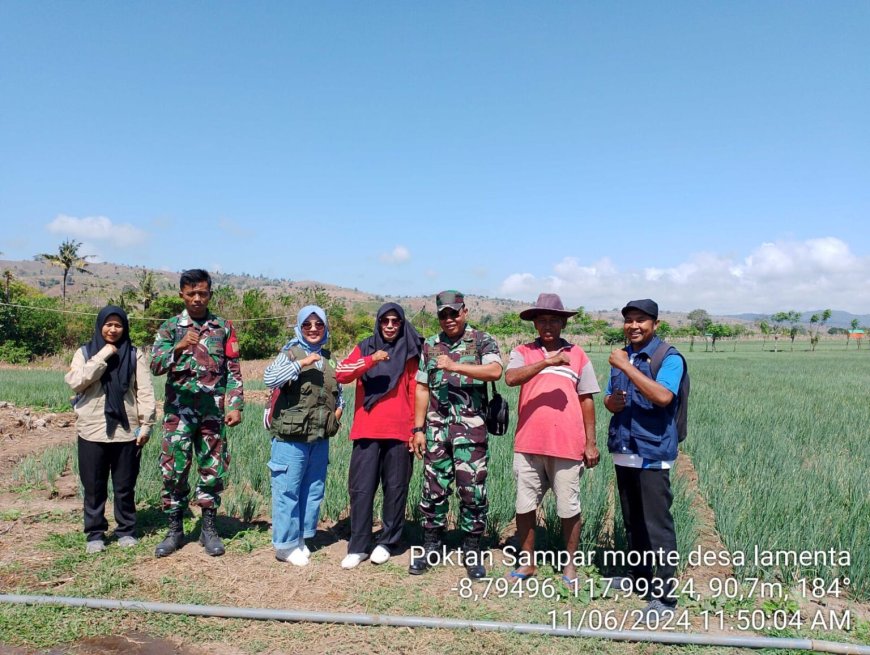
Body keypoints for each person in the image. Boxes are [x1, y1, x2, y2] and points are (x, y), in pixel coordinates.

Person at [504, 293, 599, 584]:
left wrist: (590, 442)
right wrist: (548, 362)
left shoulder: (578, 355)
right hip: (529, 444)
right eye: (542, 320)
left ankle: (570, 565)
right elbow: (510, 378)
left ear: (562, 323)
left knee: (568, 507)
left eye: (554, 320)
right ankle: (527, 561)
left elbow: (586, 399)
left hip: (567, 445)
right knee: (525, 505)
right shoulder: (522, 351)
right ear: (534, 323)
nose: (548, 325)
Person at [150, 269, 244, 558]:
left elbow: (234, 370)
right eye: (191, 293)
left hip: (212, 414)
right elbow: (155, 366)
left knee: (212, 470)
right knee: (174, 470)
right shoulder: (169, 328)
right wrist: (177, 348)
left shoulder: (222, 327)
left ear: (210, 294)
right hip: (178, 413)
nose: (197, 298)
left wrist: (235, 405)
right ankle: (175, 529)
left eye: (202, 293)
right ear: (182, 294)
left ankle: (208, 529)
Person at [409, 290, 503, 579]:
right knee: (433, 489)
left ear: (465, 312)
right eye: (443, 314)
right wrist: (418, 429)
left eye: (454, 312)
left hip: (470, 429)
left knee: (472, 490)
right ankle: (431, 544)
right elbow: (422, 387)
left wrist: (455, 365)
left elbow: (495, 371)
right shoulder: (431, 346)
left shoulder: (481, 340)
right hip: (437, 429)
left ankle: (472, 548)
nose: (448, 319)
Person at [603, 298, 686, 621]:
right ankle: (639, 579)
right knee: (632, 520)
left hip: (652, 453)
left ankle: (664, 598)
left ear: (655, 324)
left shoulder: (669, 357)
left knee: (657, 527)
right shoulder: (621, 358)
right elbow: (610, 400)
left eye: (641, 320)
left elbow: (664, 396)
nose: (634, 326)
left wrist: (626, 366)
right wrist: (613, 402)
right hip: (624, 448)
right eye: (629, 320)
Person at [335, 303, 423, 569]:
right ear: (378, 321)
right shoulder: (365, 347)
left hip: (399, 431)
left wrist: (414, 430)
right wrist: (372, 360)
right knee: (361, 488)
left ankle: (387, 541)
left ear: (402, 323)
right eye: (385, 320)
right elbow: (341, 373)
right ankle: (359, 546)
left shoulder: (409, 350)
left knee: (395, 488)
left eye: (396, 321)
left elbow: (413, 389)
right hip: (367, 429)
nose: (390, 325)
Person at [65, 306, 156, 553]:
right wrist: (104, 354)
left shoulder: (135, 355)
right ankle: (95, 533)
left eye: (118, 325)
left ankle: (126, 530)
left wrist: (146, 425)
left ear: (124, 328)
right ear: (100, 325)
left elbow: (145, 392)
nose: (113, 329)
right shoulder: (84, 353)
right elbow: (75, 381)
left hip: (126, 431)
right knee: (94, 486)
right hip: (91, 429)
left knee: (125, 486)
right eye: (108, 324)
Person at [264, 305, 344, 567]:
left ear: (325, 328)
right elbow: (270, 378)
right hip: (291, 439)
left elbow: (337, 392)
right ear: (299, 327)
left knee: (312, 491)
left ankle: (300, 538)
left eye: (318, 324)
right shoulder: (289, 353)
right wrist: (302, 363)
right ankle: (284, 546)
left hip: (319, 439)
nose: (313, 329)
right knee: (287, 490)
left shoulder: (329, 359)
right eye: (307, 324)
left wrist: (338, 412)